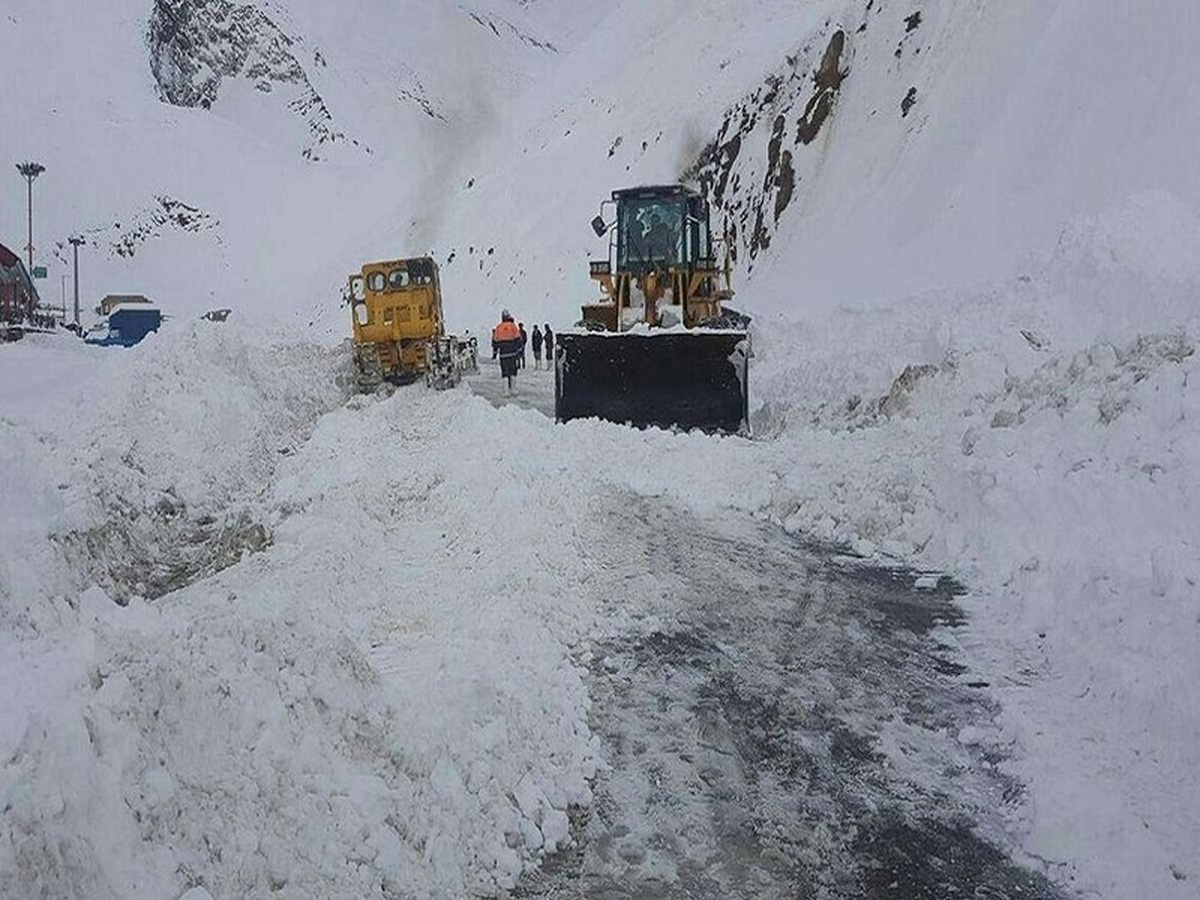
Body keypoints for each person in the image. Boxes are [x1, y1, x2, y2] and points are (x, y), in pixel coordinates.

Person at [492, 309, 522, 394]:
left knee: (505, 372)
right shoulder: (513, 326)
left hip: (503, 354)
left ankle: (506, 391)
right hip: (513, 353)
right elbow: (519, 339)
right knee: (513, 371)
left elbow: (495, 342)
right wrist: (519, 351)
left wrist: (495, 353)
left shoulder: (498, 327)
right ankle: (513, 389)